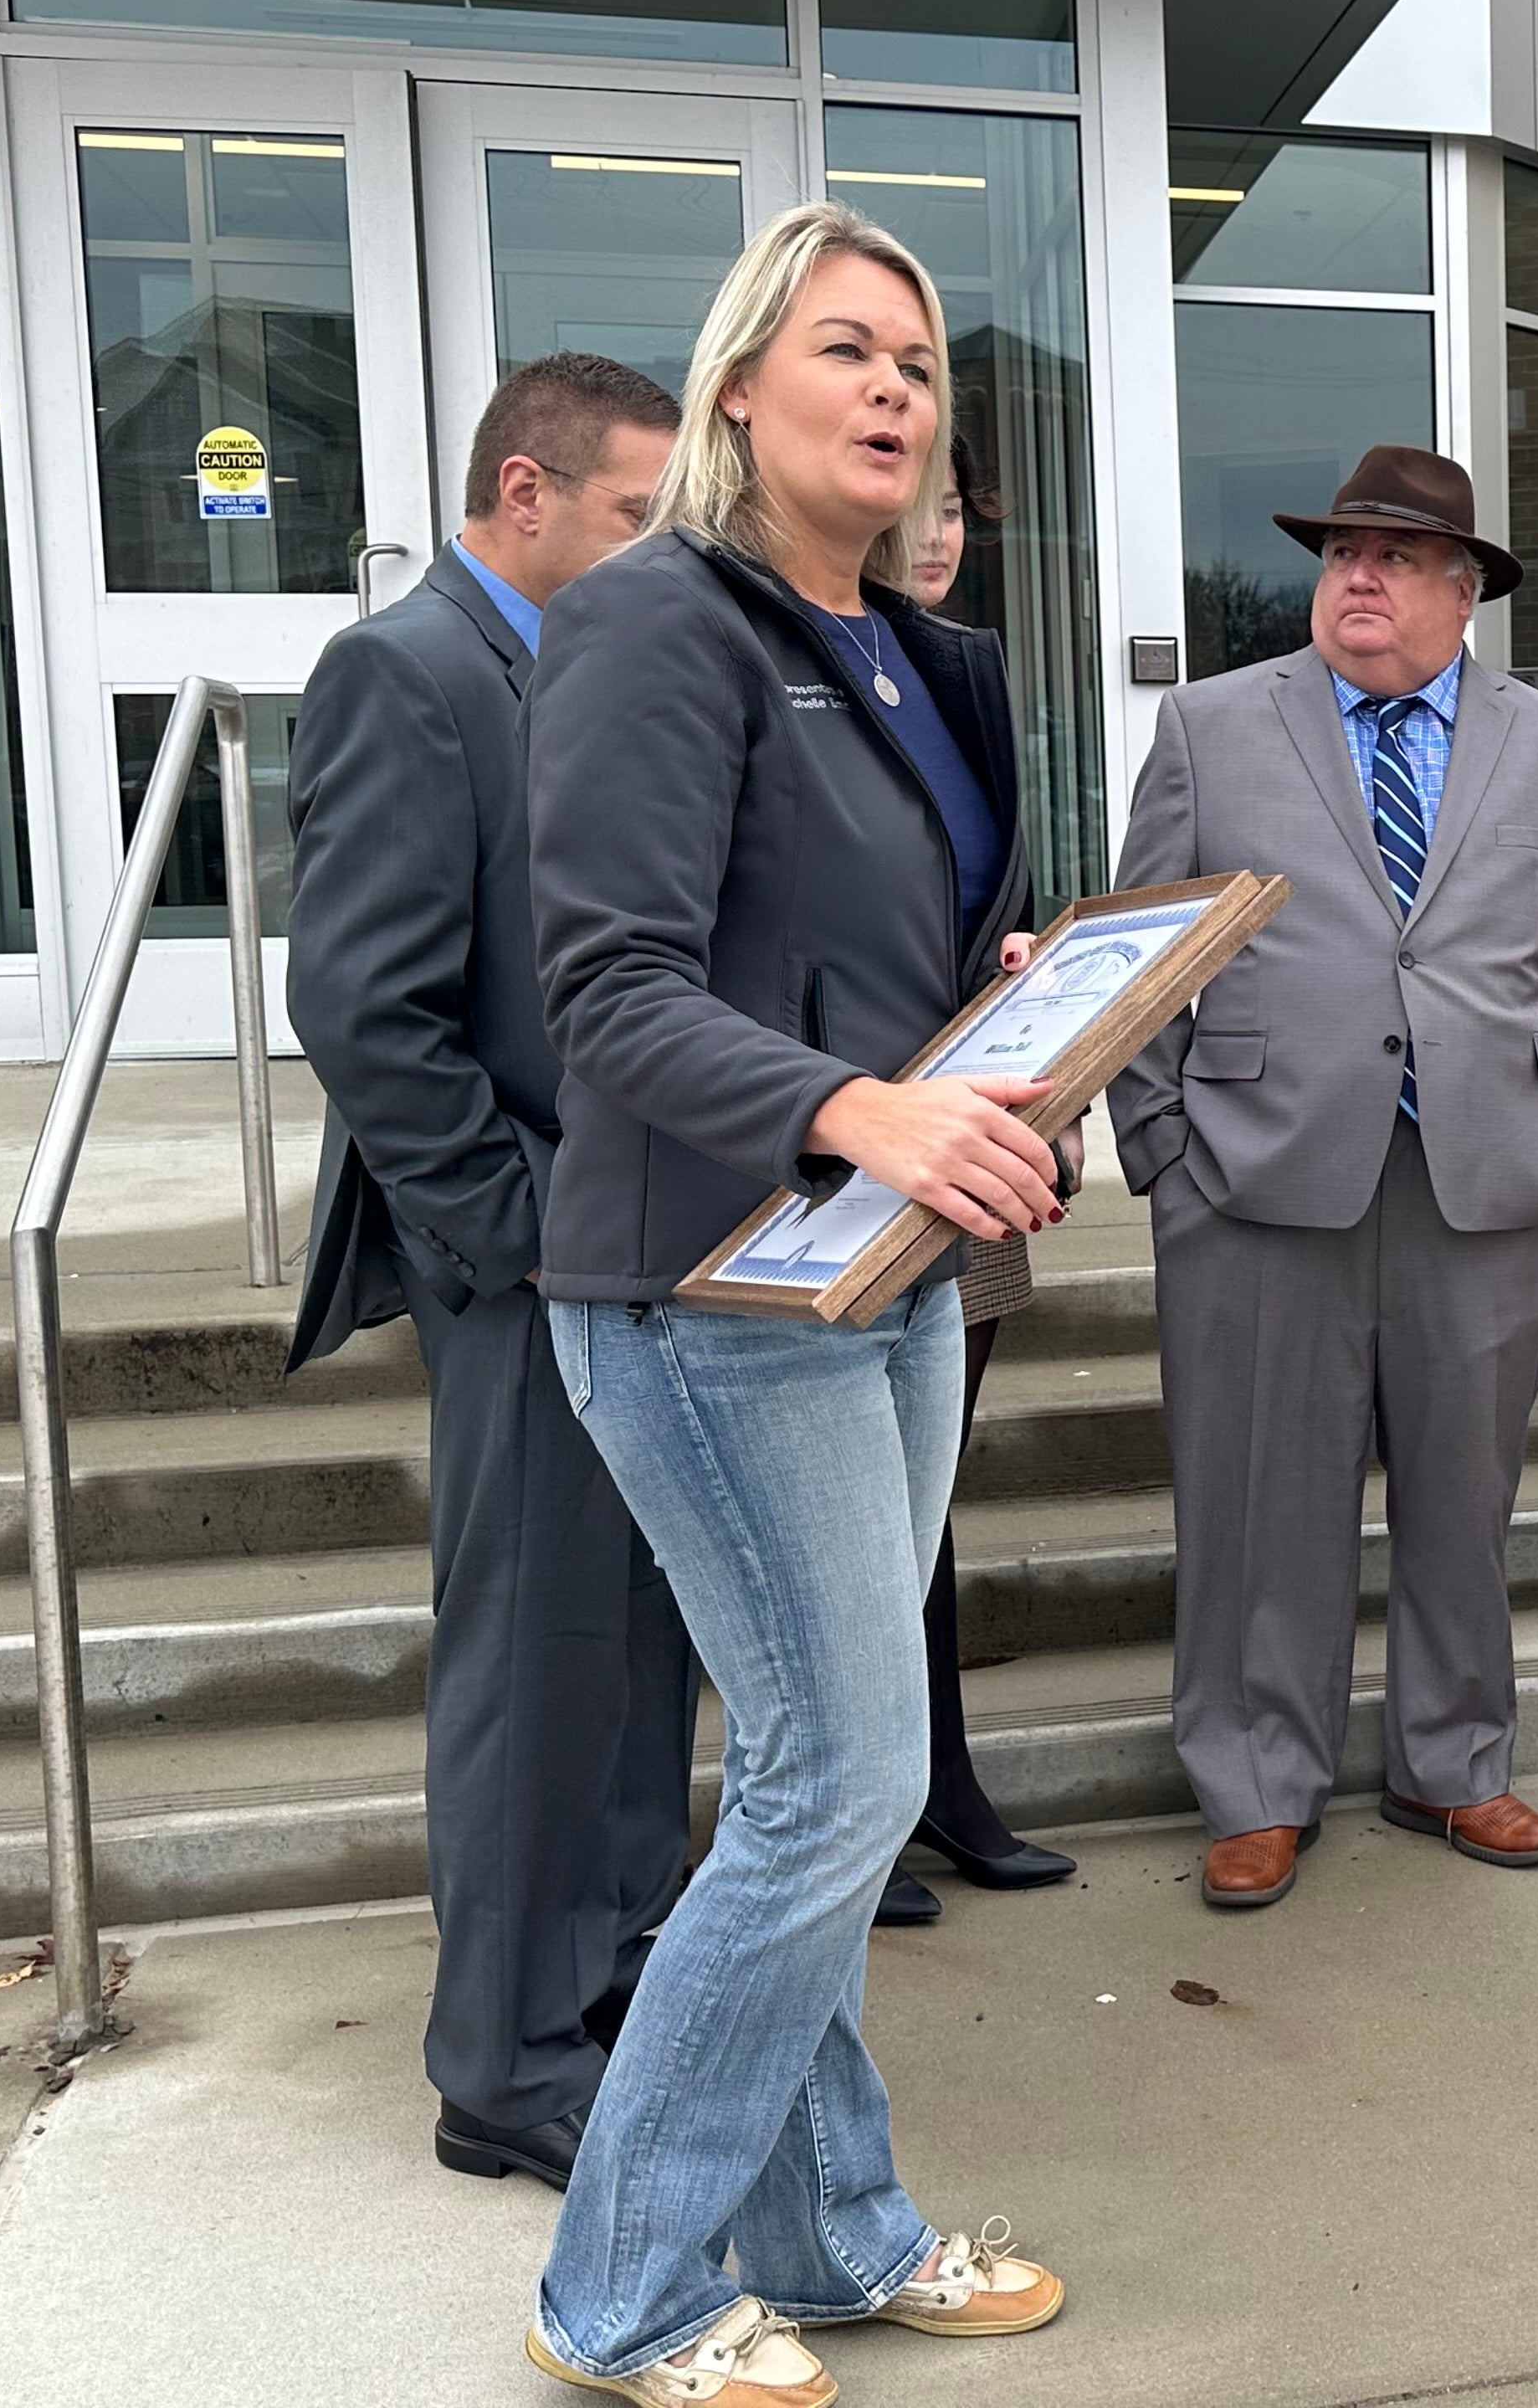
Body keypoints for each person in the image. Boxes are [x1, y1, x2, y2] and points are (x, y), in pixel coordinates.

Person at [520, 203, 1066, 2401]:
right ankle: (625, 2293)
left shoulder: (923, 658)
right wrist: (867, 1104)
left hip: (884, 1272)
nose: (895, 393)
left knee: (823, 1779)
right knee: (842, 1781)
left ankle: (834, 2234)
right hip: (698, 1285)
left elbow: (862, 954)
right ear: (743, 383)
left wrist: (999, 1007)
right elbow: (610, 991)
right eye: (847, 350)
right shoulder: (663, 625)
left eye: (922, 365)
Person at [1107, 443, 1538, 1913]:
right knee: (1257, 1496)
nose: (1359, 577)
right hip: (1255, 1177)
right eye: (1344, 552)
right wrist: (1165, 1157)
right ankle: (1255, 1785)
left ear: (1465, 594)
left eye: (1398, 558)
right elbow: (1138, 965)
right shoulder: (1215, 727)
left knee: (1465, 1495)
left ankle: (1453, 1764)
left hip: (1490, 1183)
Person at [285, 352, 686, 2193]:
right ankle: (504, 2066)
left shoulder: (588, 667)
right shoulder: (413, 671)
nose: (649, 549)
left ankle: (597, 1986)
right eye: (628, 515)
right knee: (535, 1663)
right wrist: (520, 1243)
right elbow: (369, 1008)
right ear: (526, 496)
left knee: (624, 1656)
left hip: (636, 1260)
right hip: (526, 1272)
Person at [877, 429, 1078, 1930]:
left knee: (925, 1494)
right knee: (851, 1514)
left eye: (956, 506)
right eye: (919, 504)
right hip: (834, 1149)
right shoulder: (776, 660)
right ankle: (861, 1808)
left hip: (967, 1142)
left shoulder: (962, 673)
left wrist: (1018, 977)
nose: (938, 530)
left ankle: (939, 1784)